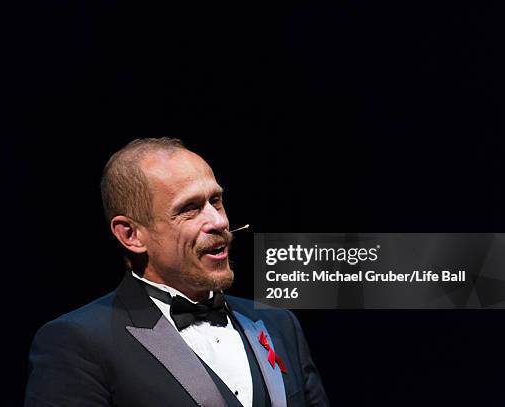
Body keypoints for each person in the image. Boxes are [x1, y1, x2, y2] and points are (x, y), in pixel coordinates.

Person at [24, 138, 329, 407]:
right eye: (190, 209)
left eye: (216, 201)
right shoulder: (78, 342)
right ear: (132, 235)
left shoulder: (279, 324)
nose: (218, 222)